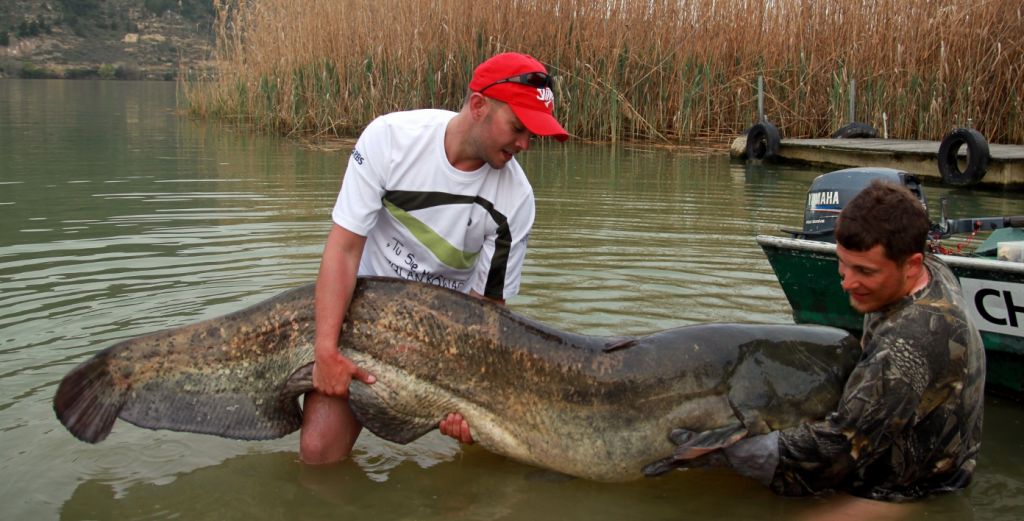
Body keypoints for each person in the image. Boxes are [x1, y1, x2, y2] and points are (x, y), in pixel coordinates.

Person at [300, 52, 569, 464]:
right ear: (478, 105)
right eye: (518, 128)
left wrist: (469, 397)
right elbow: (344, 249)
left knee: (482, 459)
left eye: (533, 134)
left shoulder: (517, 199)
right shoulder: (390, 140)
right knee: (318, 452)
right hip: (364, 322)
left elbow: (486, 312)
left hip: (445, 344)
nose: (525, 145)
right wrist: (325, 351)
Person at [672, 180, 985, 501]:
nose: (848, 282)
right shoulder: (931, 270)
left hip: (914, 490)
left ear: (911, 265)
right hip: (935, 445)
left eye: (865, 271)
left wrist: (728, 454)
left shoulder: (906, 343)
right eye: (843, 263)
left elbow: (841, 444)